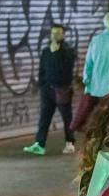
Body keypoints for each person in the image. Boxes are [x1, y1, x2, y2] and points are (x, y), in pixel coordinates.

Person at [74, 11, 109, 136]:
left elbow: (88, 63)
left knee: (101, 116)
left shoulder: (95, 40)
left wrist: (87, 80)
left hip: (96, 89)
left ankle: (100, 140)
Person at [26, 24, 76, 155]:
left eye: (58, 33)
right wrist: (42, 85)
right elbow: (42, 69)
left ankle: (70, 143)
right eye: (53, 33)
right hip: (47, 89)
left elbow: (66, 69)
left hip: (62, 89)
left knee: (67, 118)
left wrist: (57, 53)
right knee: (44, 117)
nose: (54, 36)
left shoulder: (68, 51)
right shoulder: (46, 51)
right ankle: (40, 144)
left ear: (63, 35)